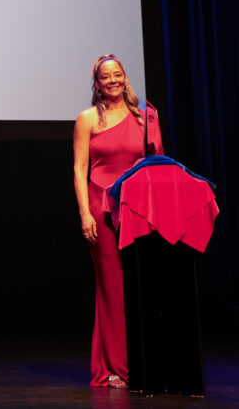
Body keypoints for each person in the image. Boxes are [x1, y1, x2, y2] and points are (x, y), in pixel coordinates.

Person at [72, 54, 162, 388]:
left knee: (140, 283)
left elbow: (157, 164)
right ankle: (116, 368)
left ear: (125, 78)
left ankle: (141, 359)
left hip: (139, 207)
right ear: (96, 84)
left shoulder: (147, 116)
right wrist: (84, 212)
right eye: (105, 77)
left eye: (118, 74)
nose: (113, 80)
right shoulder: (87, 119)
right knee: (111, 287)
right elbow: (80, 169)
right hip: (102, 208)